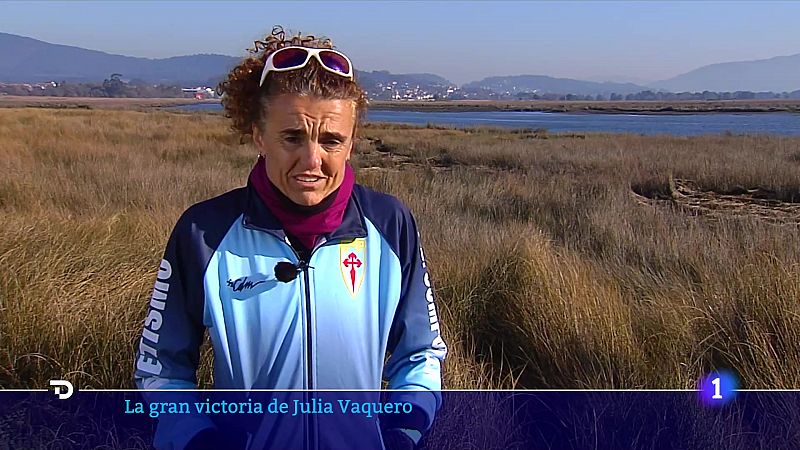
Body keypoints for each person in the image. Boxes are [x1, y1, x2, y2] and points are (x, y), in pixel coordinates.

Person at [133, 26, 447, 450]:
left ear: (352, 143)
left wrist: (402, 431)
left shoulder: (391, 225)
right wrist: (196, 439)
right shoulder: (203, 232)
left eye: (332, 139)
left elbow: (420, 353)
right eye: (292, 137)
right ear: (259, 136)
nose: (312, 160)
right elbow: (161, 367)